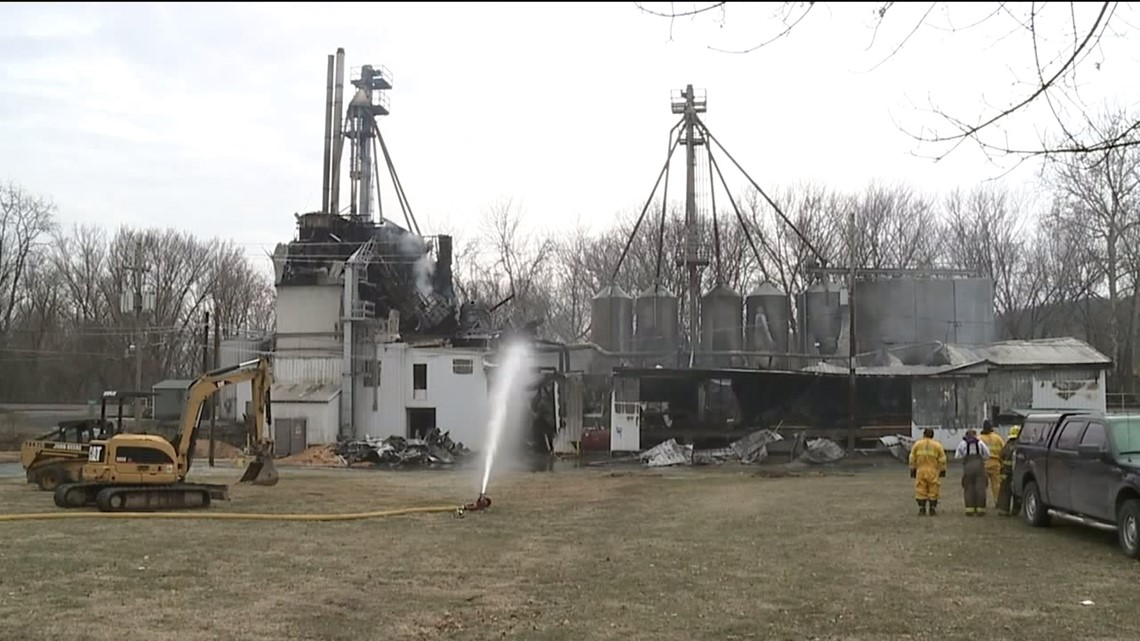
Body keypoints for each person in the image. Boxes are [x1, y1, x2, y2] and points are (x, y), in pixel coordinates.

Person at [909, 428, 948, 516]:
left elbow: (912, 458)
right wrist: (942, 470)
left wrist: (913, 468)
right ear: (932, 435)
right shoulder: (937, 445)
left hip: (920, 470)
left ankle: (922, 509)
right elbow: (942, 459)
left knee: (920, 490)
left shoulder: (917, 444)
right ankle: (932, 509)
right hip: (933, 471)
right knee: (934, 489)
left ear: (923, 434)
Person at [955, 428, 992, 516]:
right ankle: (981, 510)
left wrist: (964, 459)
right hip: (979, 467)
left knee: (969, 488)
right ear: (975, 435)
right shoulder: (980, 443)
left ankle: (970, 510)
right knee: (980, 488)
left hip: (968, 468)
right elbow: (987, 454)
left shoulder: (962, 444)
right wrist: (982, 460)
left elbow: (957, 456)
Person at [978, 420, 1006, 507]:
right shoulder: (998, 438)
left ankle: (981, 503)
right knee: (996, 485)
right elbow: (1004, 451)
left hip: (983, 464)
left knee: (982, 485)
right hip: (995, 463)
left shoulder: (979, 439)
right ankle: (998, 502)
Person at [996, 425, 1021, 516]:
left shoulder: (1007, 445)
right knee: (1017, 491)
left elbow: (1001, 455)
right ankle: (1016, 510)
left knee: (1005, 490)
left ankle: (1004, 510)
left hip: (1006, 471)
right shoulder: (1021, 446)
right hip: (1018, 472)